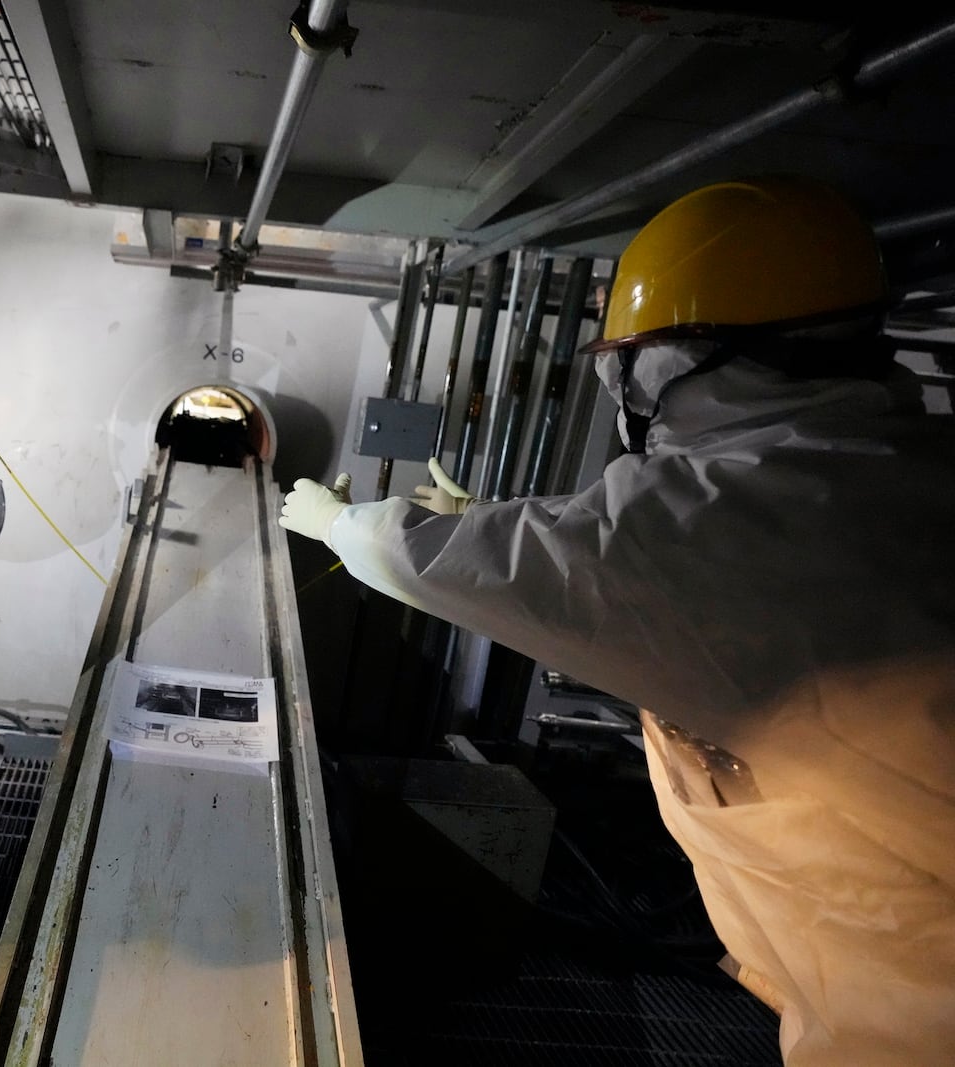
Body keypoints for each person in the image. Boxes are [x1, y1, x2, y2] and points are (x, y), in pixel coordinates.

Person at [279, 175, 955, 1066]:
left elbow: (486, 562)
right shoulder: (891, 468)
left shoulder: (713, 515)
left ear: (686, 363)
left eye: (632, 369)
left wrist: (337, 523)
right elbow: (652, 590)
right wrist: (480, 513)